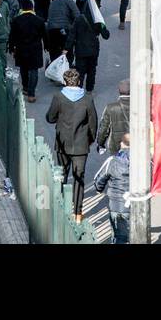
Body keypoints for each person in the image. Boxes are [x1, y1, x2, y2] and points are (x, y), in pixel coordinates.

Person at [46, 68, 98, 222]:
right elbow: (93, 122)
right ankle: (77, 213)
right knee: (79, 178)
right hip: (81, 145)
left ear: (65, 81)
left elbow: (50, 117)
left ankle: (61, 207)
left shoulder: (59, 97)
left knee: (61, 175)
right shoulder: (87, 99)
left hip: (62, 143)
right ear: (79, 81)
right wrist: (91, 138)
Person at [8, 0, 46, 103]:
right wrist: (47, 46)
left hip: (21, 48)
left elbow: (12, 36)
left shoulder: (16, 20)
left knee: (23, 69)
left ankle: (25, 87)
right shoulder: (39, 20)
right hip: (35, 49)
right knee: (34, 70)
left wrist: (11, 47)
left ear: (22, 8)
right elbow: (44, 35)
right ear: (32, 7)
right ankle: (31, 94)